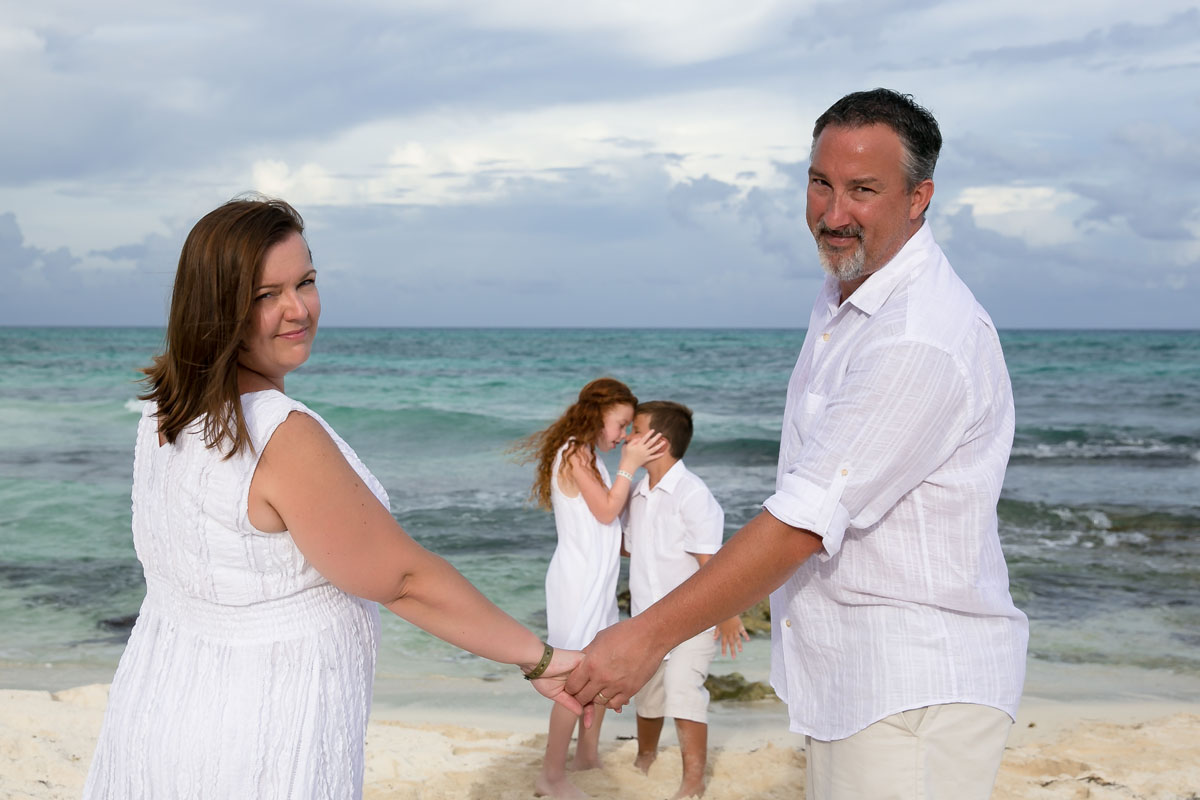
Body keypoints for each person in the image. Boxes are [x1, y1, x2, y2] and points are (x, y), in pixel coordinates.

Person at [566, 88, 1030, 800]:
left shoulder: (918, 337)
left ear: (919, 198)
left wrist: (645, 637)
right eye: (821, 183)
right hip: (858, 681)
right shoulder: (846, 292)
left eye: (863, 191)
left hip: (912, 689)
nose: (833, 213)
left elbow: (801, 523)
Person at [82, 195, 585, 800]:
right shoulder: (280, 434)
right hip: (257, 733)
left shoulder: (166, 417)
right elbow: (402, 579)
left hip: (159, 708)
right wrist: (537, 657)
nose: (297, 310)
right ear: (217, 308)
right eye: (265, 295)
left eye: (307, 282)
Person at [516, 378, 666, 799]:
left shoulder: (593, 459)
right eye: (620, 425)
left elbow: (609, 530)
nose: (622, 436)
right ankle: (551, 775)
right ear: (597, 415)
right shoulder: (573, 453)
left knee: (598, 669)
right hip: (577, 581)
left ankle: (586, 757)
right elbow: (604, 512)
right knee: (569, 680)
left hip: (598, 581)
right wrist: (629, 464)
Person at [621, 401, 748, 799]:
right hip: (646, 615)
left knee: (682, 688)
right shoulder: (638, 493)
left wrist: (728, 615)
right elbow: (630, 548)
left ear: (659, 441)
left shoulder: (693, 494)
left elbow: (714, 565)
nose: (627, 437)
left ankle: (692, 779)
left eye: (635, 429)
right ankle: (646, 755)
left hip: (694, 618)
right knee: (648, 688)